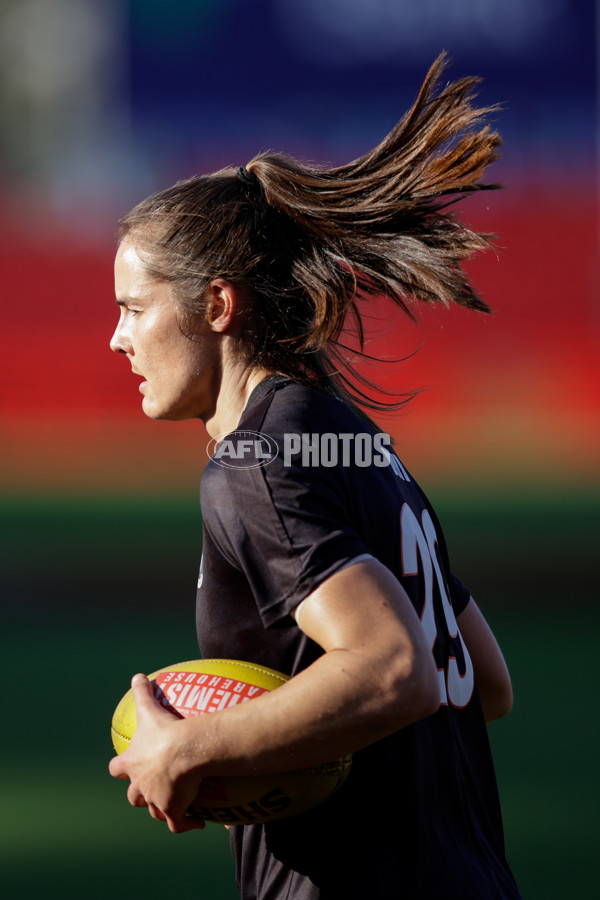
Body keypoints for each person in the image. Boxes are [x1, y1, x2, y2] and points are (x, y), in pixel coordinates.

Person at [108, 53, 522, 899]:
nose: (118, 341)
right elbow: (483, 682)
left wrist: (189, 748)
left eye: (133, 309)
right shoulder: (359, 443)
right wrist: (282, 750)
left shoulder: (254, 463)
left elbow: (391, 669)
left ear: (218, 307)